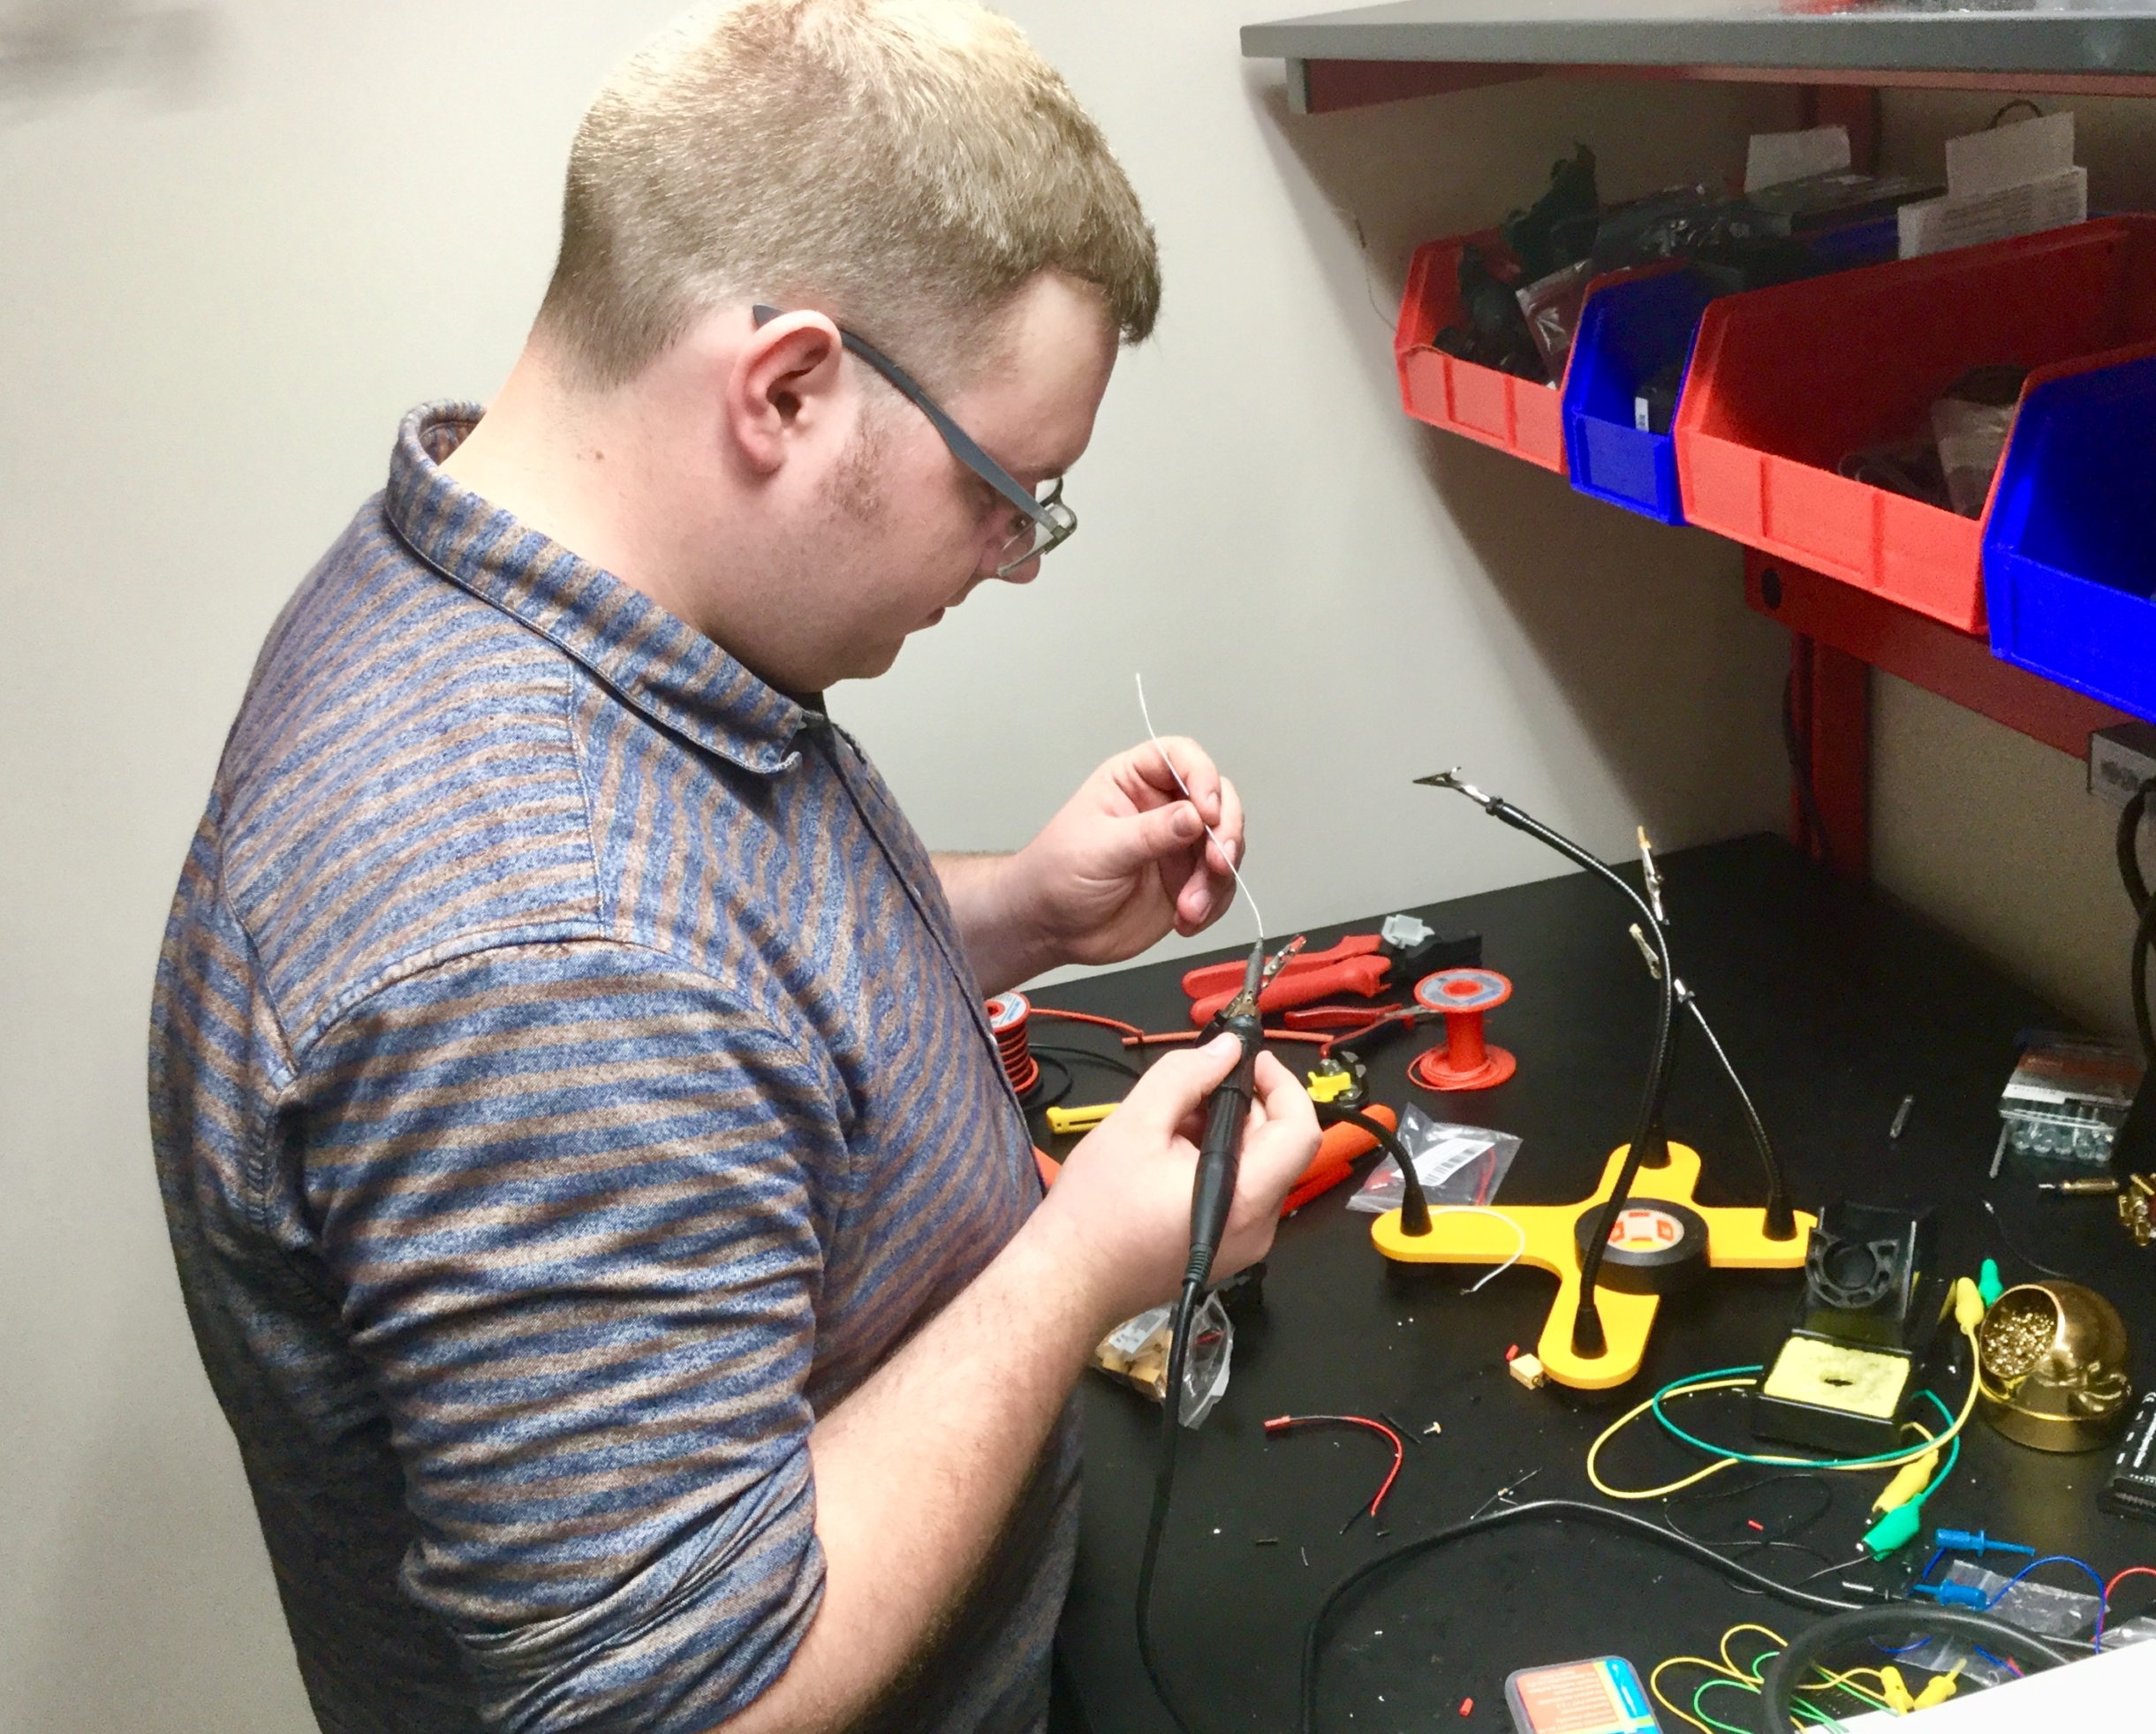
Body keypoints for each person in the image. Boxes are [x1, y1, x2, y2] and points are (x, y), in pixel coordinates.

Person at [145, 4, 1320, 1733]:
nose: (1014, 564)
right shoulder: (529, 942)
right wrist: (1081, 1263)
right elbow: (692, 1695)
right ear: (784, 389)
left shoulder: (511, 595)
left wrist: (1007, 911)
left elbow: (715, 946)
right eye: (1009, 491)